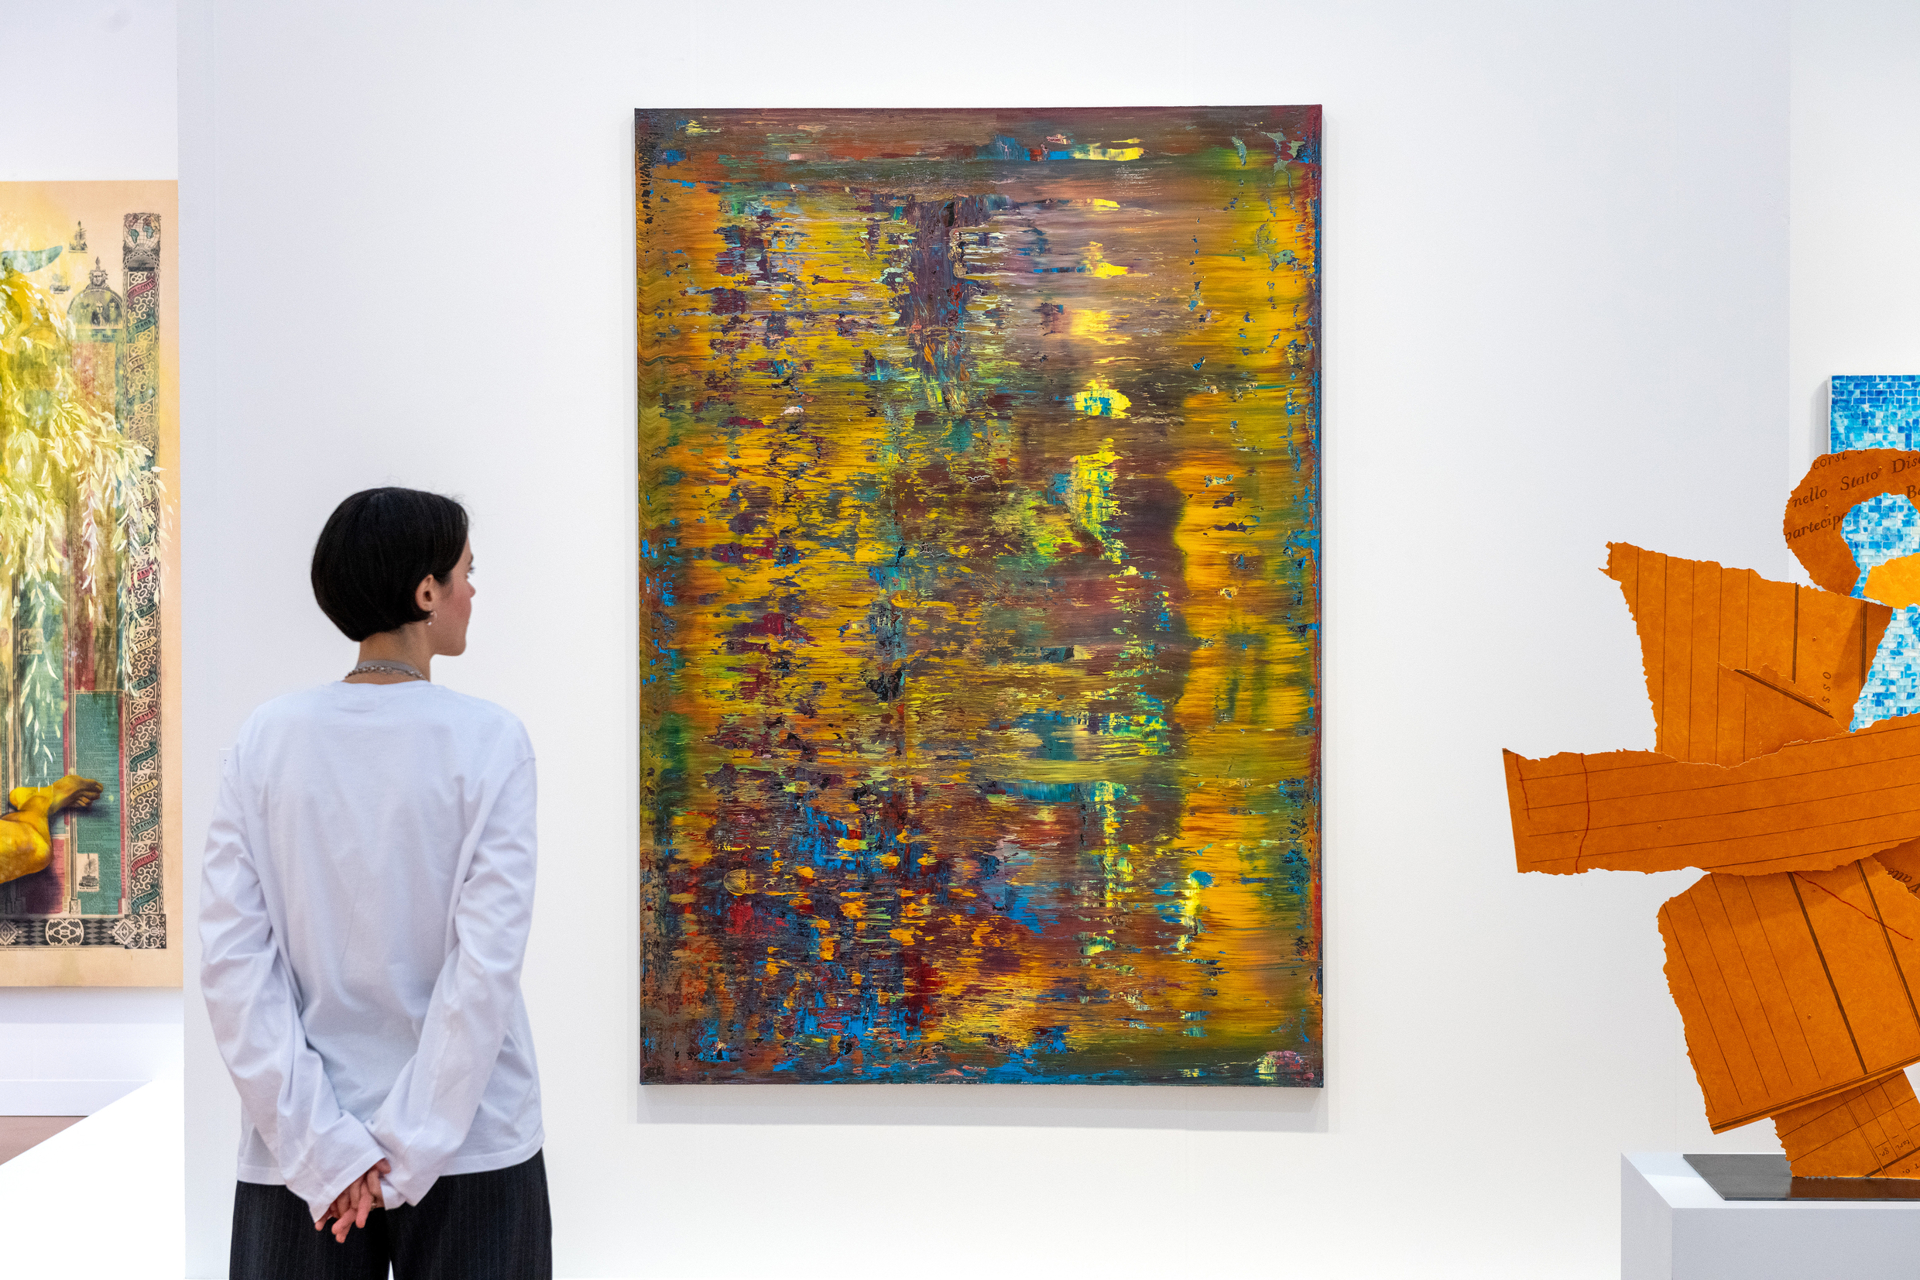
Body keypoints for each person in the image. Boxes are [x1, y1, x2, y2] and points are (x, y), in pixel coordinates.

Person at [201, 487, 550, 1278]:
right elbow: (483, 968)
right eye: (465, 572)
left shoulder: (265, 740)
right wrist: (402, 1150)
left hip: (300, 1157)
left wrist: (327, 1149)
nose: (472, 591)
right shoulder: (491, 741)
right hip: (472, 1142)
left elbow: (233, 965)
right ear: (426, 592)